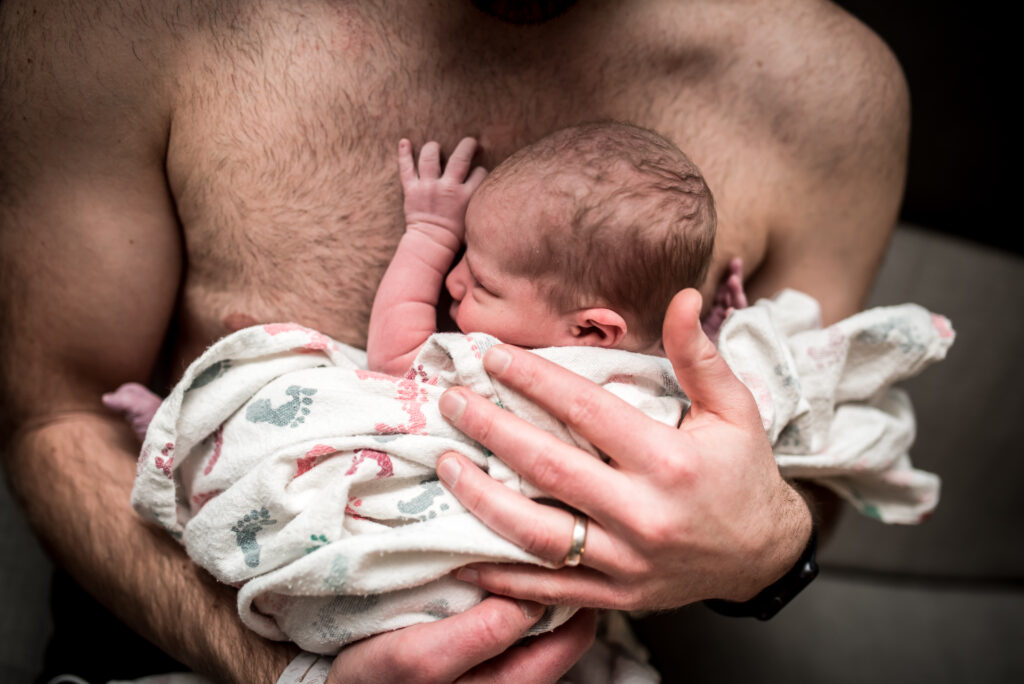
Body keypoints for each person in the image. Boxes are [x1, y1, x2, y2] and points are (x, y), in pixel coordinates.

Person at [0, 1, 911, 682]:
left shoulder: (829, 92)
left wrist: (766, 546)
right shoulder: (122, 22)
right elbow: (55, 413)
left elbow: (807, 437)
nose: (454, 289)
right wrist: (287, 674)